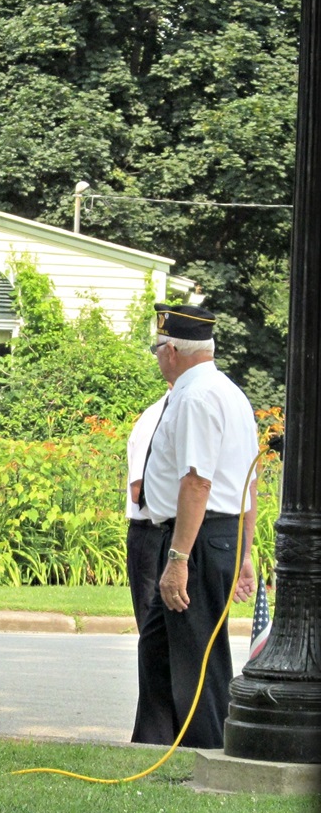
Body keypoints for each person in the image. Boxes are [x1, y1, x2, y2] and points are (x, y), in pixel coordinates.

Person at [132, 303, 258, 749]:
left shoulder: (196, 395)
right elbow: (249, 483)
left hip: (198, 539)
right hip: (217, 536)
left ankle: (208, 755)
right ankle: (151, 747)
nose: (158, 357)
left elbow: (198, 481)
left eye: (158, 349)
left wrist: (178, 558)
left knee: (196, 661)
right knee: (158, 648)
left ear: (172, 350)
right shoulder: (230, 392)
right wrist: (246, 553)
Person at [125, 389, 170, 632]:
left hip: (169, 531)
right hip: (151, 530)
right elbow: (138, 489)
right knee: (153, 627)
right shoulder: (155, 418)